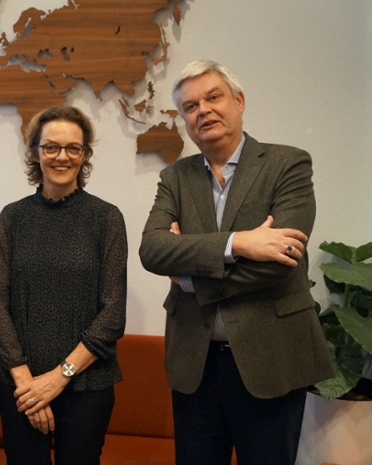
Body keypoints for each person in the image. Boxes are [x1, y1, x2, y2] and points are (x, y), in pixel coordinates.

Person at [139, 60, 335, 465]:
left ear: (239, 101)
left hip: (271, 360)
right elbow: (153, 249)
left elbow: (282, 258)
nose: (203, 110)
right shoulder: (175, 177)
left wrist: (190, 279)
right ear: (185, 120)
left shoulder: (288, 164)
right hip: (196, 365)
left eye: (213, 97)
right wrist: (239, 242)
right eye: (190, 106)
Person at [0, 105, 127, 465]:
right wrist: (27, 383)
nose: (61, 157)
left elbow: (112, 314)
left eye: (73, 148)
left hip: (87, 386)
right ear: (35, 152)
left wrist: (58, 378)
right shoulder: (12, 217)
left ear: (84, 155)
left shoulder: (106, 219)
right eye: (51, 147)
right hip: (21, 386)